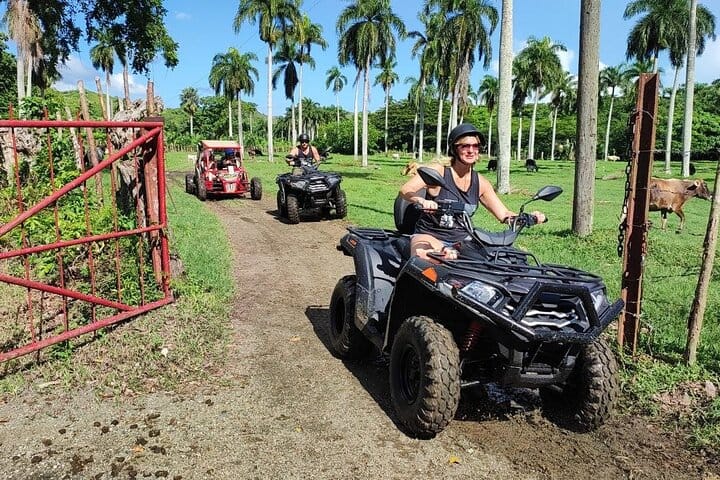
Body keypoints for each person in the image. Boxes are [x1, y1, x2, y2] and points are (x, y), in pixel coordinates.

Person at [399, 122, 546, 261]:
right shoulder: (440, 172)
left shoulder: (481, 183)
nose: (471, 150)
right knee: (423, 257)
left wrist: (528, 218)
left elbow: (504, 214)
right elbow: (406, 190)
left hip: (463, 241)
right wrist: (422, 201)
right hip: (429, 236)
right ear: (454, 149)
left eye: (475, 146)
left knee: (499, 262)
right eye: (465, 146)